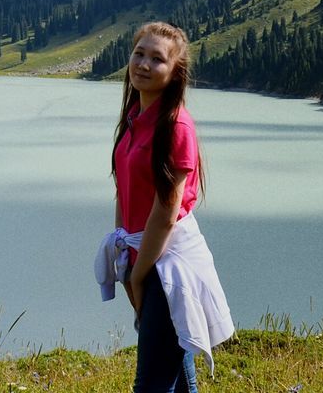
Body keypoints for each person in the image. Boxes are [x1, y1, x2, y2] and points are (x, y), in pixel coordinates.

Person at [94, 22, 234, 392]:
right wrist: (125, 256)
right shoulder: (133, 120)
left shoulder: (175, 128)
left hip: (169, 263)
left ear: (174, 73)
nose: (143, 64)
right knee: (177, 370)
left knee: (151, 383)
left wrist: (139, 274)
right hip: (144, 256)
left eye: (157, 59)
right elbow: (123, 192)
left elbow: (165, 213)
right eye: (139, 53)